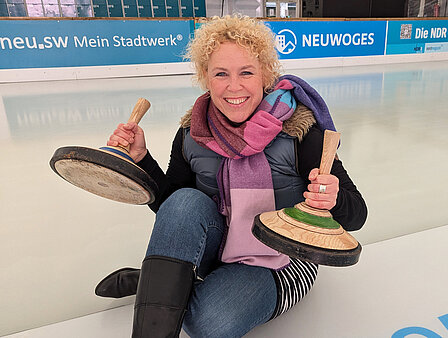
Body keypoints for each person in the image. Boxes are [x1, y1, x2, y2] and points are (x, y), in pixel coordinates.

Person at [95, 15, 367, 337]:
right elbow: (174, 210)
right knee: (184, 201)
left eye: (246, 73)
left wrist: (331, 199)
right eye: (221, 73)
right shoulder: (192, 133)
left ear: (264, 74)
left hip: (283, 260)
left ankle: (157, 281)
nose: (233, 86)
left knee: (210, 323)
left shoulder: (300, 131)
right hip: (221, 239)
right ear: (205, 78)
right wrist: (142, 159)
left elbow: (357, 215)